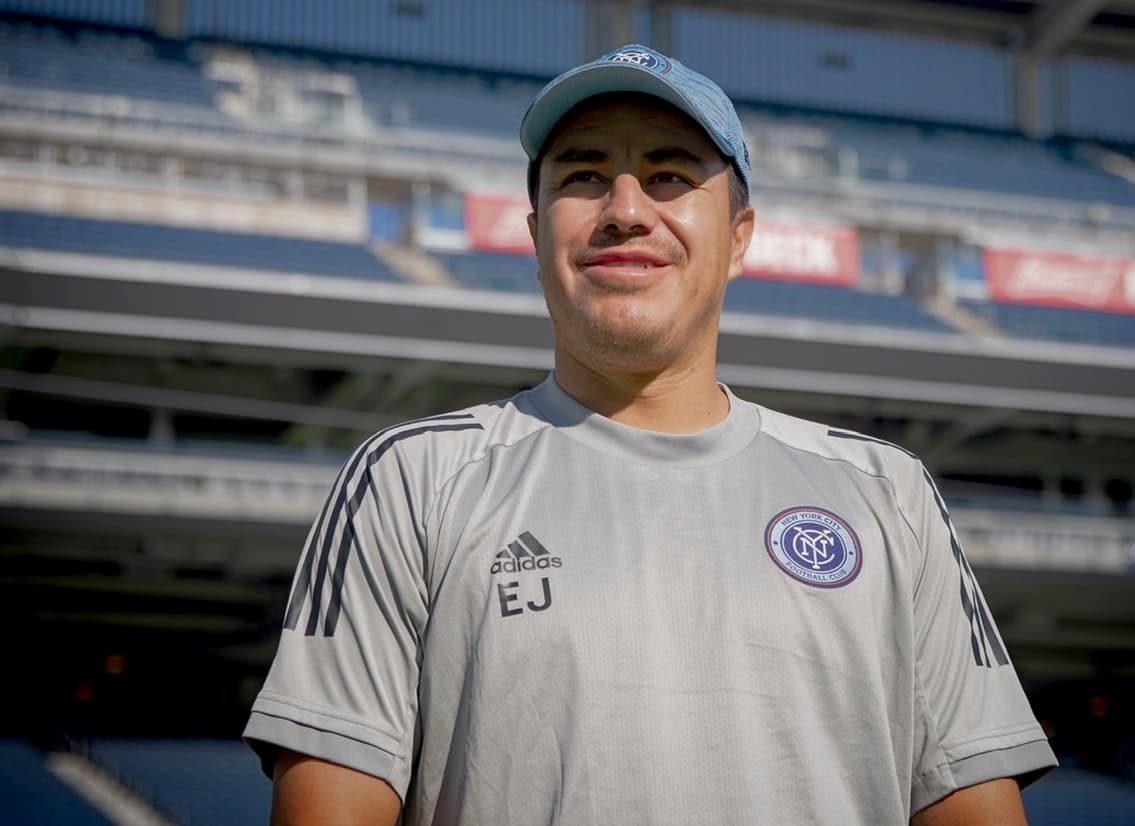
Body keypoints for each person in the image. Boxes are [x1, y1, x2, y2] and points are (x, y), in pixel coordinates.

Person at [245, 44, 1056, 825]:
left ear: (738, 236)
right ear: (535, 235)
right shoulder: (408, 480)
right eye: (583, 176)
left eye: (669, 174)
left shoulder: (889, 494)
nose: (626, 211)